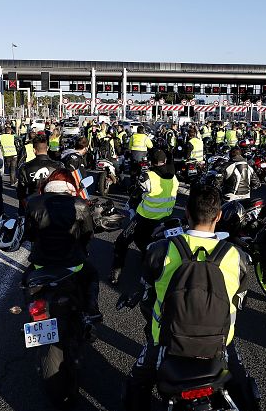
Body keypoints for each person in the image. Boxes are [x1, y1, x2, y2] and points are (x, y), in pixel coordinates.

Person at [122, 185, 262, 411]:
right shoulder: (235, 255)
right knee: (241, 381)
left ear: (186, 213)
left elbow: (147, 289)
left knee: (137, 385)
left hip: (167, 344)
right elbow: (239, 299)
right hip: (219, 344)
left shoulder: (161, 250)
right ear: (218, 216)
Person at [23, 169, 101, 319]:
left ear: (49, 183)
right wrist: (82, 248)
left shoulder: (33, 203)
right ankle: (92, 308)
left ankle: (32, 313)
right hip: (72, 263)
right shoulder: (80, 204)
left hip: (41, 263)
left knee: (26, 280)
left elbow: (29, 235)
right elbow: (88, 235)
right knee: (92, 275)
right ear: (70, 184)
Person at [109, 149, 177, 285]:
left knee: (121, 242)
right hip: (165, 219)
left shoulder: (147, 177)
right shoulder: (174, 178)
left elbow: (135, 194)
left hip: (144, 218)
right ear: (164, 161)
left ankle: (116, 273)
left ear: (152, 162)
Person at [16, 134, 64, 210]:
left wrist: (26, 208)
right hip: (53, 206)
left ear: (34, 150)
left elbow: (21, 193)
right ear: (47, 148)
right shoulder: (59, 166)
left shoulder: (25, 167)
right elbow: (65, 189)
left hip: (34, 205)